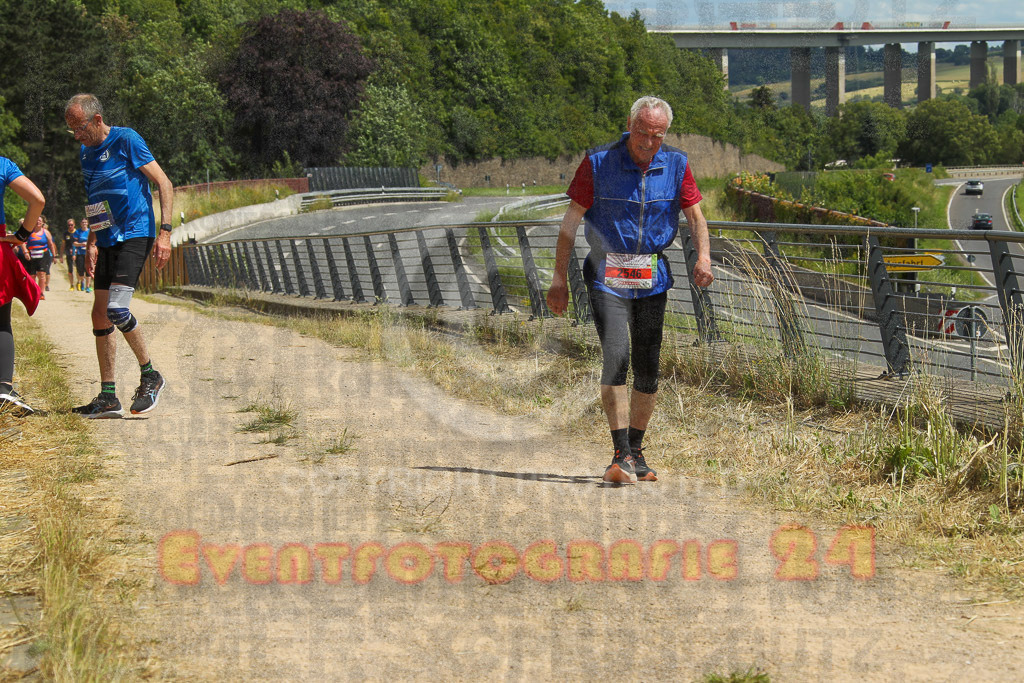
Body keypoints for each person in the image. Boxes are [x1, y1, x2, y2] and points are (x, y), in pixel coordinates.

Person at [546, 96, 714, 484]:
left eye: (656, 135)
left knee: (649, 364)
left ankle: (636, 450)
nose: (648, 142)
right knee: (616, 356)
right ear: (629, 124)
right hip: (607, 271)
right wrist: (559, 279)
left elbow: (695, 216)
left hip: (651, 274)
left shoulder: (676, 164)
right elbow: (570, 224)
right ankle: (619, 452)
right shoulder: (598, 162)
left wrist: (703, 257)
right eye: (642, 133)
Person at [65, 93, 172, 418]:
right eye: (72, 130)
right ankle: (108, 397)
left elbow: (164, 183)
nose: (77, 137)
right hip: (108, 238)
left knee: (116, 309)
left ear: (97, 120)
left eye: (80, 128)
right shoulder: (86, 153)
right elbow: (96, 197)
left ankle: (150, 373)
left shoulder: (127, 139)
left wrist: (165, 231)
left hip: (137, 232)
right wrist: (91, 242)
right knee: (99, 314)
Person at [0, 156, 45, 416]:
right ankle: (3, 387)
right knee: (1, 322)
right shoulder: (3, 164)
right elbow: (37, 199)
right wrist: (21, 235)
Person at [24, 216, 57, 298]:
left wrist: (54, 255)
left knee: (41, 274)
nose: (38, 222)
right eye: (36, 220)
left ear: (42, 223)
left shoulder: (46, 232)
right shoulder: (29, 232)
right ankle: (33, 292)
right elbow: (23, 242)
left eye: (39, 221)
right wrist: (26, 252)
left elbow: (51, 244)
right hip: (31, 255)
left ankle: (41, 293)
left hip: (43, 255)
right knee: (32, 275)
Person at [72, 218, 91, 292]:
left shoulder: (90, 231)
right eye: (83, 222)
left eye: (85, 222)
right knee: (80, 270)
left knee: (88, 270)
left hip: (88, 253)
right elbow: (74, 243)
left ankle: (87, 286)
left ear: (88, 223)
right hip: (80, 253)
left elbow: (94, 242)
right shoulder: (77, 232)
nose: (84, 224)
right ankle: (82, 282)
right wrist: (81, 244)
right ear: (80, 224)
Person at [63, 218, 76, 289]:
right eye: (69, 225)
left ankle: (80, 283)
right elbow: (63, 244)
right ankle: (71, 285)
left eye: (71, 225)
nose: (70, 226)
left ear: (74, 225)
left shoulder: (77, 232)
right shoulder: (65, 233)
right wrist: (61, 255)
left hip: (78, 252)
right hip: (68, 252)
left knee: (79, 269)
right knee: (70, 269)